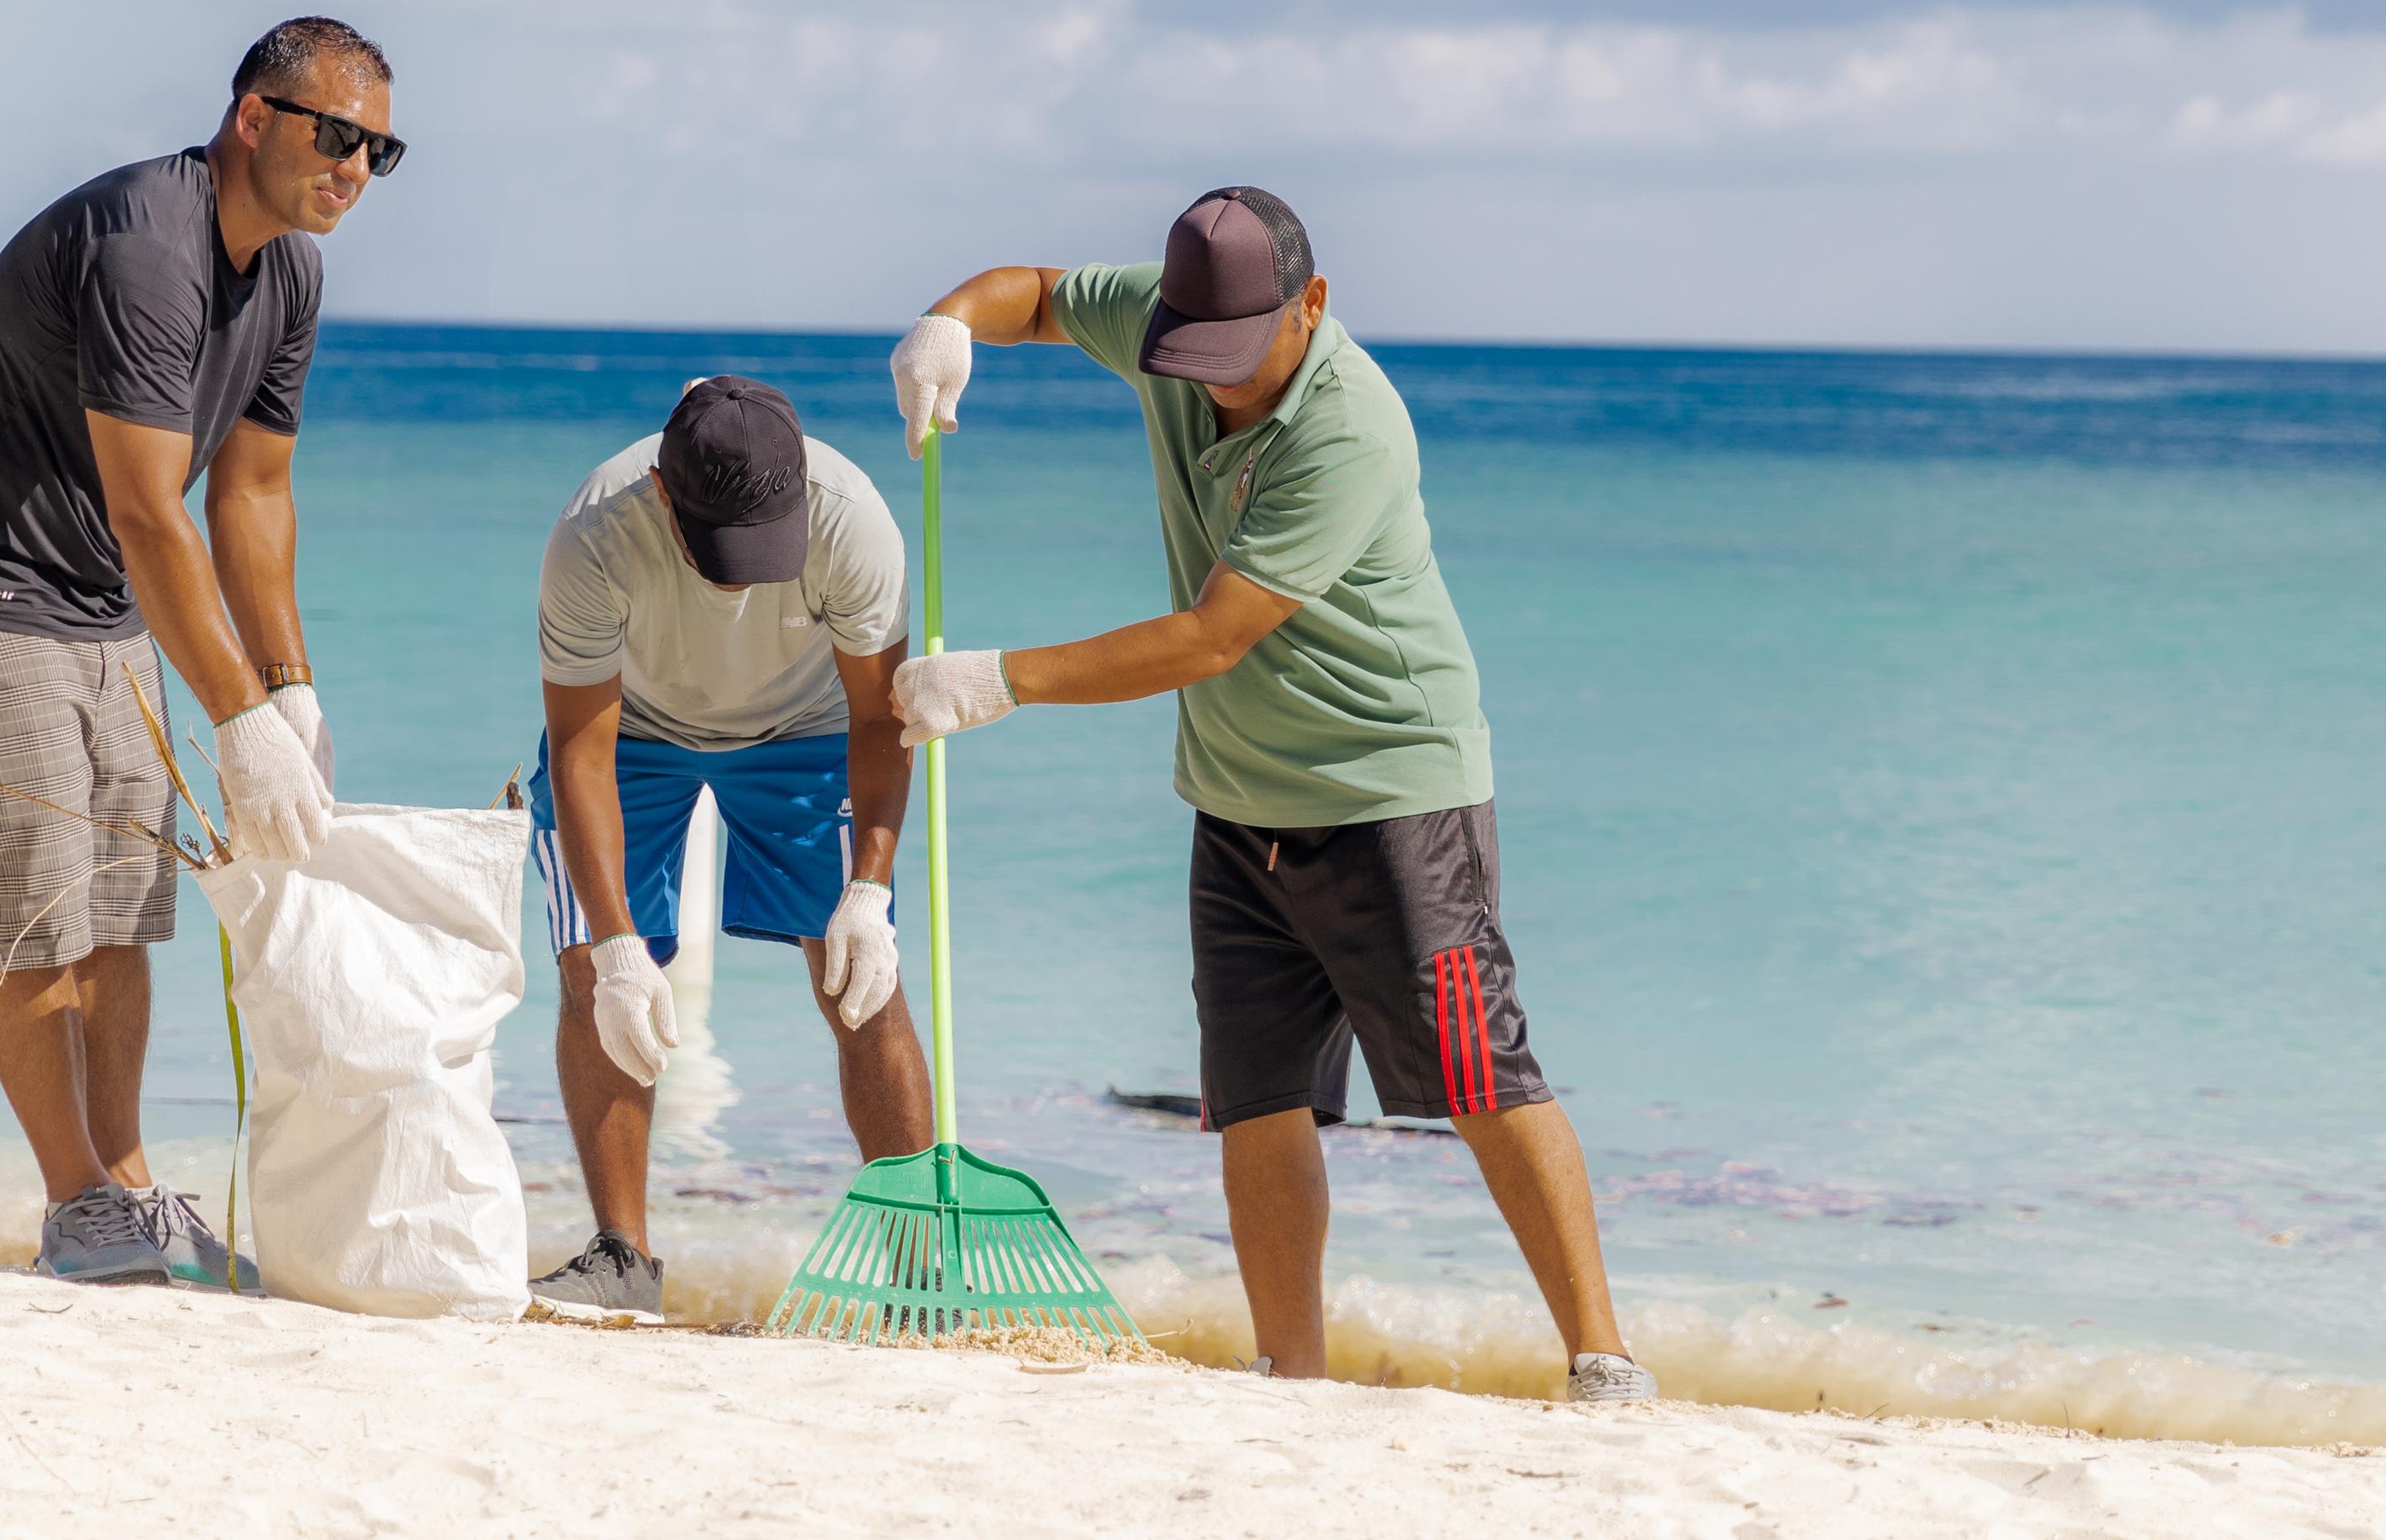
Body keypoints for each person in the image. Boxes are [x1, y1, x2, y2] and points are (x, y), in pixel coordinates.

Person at [881, 186, 1659, 1403]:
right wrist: (946, 328)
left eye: (1242, 355)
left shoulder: (1351, 429)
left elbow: (1212, 637)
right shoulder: (1170, 321)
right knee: (1253, 1096)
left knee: (1479, 1079)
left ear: (1314, 303)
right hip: (1238, 806)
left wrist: (997, 681)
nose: (1219, 383)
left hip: (1389, 795)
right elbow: (1030, 294)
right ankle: (1288, 1369)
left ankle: (1603, 1356)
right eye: (1197, 356)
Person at [0, 16, 404, 1290]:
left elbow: (252, 494)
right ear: (255, 119)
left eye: (381, 153)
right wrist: (234, 722)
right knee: (36, 906)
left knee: (122, 904)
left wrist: (289, 685)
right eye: (336, 136)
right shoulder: (147, 251)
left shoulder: (290, 274)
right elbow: (149, 507)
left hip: (110, 598)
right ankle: (73, 1206)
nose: (353, 170)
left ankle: (123, 1184)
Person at [524, 375, 934, 1323]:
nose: (745, 574)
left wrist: (869, 888)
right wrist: (623, 949)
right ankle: (623, 1257)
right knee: (597, 967)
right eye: (723, 549)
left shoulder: (853, 521)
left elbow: (878, 718)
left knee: (857, 970)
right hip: (633, 732)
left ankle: (924, 1277)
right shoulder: (595, 532)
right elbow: (581, 746)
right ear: (666, 492)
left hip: (804, 730)